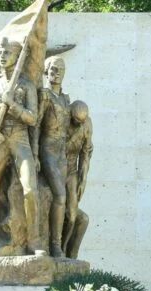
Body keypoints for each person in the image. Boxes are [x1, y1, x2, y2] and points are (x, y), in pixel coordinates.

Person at [0, 38, 47, 257]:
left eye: (8, 52)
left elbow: (33, 119)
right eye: (1, 52)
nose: (3, 56)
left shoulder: (26, 85)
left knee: (30, 190)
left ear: (18, 57)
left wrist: (13, 105)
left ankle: (34, 242)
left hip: (20, 139)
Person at [36, 56, 70, 257]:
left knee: (61, 199)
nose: (56, 73)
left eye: (60, 69)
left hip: (62, 152)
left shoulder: (65, 99)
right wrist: (34, 153)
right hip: (47, 148)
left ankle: (56, 243)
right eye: (53, 69)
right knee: (60, 195)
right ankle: (55, 245)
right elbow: (37, 124)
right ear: (46, 71)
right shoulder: (45, 95)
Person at [62, 99, 92, 258]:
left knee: (72, 216)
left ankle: (65, 251)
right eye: (76, 121)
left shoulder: (87, 125)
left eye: (81, 122)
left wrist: (83, 179)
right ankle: (58, 250)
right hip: (55, 167)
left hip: (72, 171)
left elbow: (86, 154)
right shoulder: (62, 119)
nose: (79, 125)